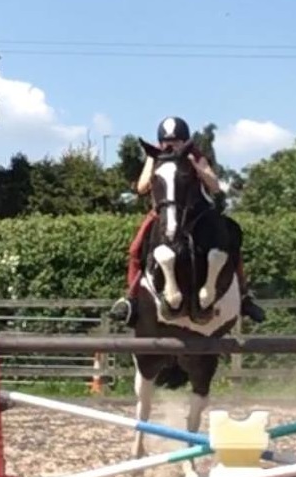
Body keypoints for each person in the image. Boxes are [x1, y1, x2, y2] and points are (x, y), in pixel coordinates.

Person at [109, 116, 266, 326]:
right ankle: (131, 299)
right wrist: (154, 162)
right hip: (165, 212)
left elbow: (215, 186)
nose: (170, 146)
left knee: (231, 241)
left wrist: (196, 166)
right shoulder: (155, 156)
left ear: (184, 141)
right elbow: (142, 187)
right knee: (136, 249)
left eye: (175, 142)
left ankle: (244, 297)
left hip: (198, 214)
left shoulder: (195, 155)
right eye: (166, 142)